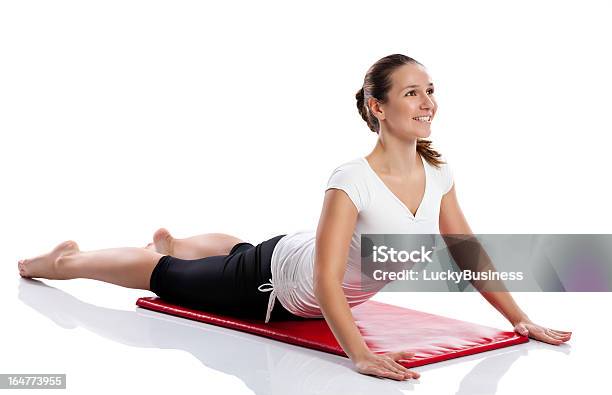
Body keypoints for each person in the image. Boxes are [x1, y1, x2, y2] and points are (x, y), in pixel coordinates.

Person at [17, 54, 571, 382]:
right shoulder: (350, 179)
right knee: (163, 277)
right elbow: (328, 281)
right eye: (411, 92)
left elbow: (466, 249)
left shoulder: (439, 173)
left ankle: (183, 240)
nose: (427, 101)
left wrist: (520, 320)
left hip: (293, 255)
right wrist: (362, 356)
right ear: (378, 108)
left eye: (430, 90)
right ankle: (68, 260)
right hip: (269, 289)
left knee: (238, 250)